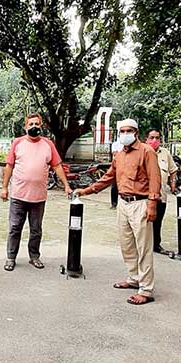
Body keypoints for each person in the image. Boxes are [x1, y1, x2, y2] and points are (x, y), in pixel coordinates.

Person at [75, 119, 160, 305]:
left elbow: (155, 178)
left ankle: (146, 289)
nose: (125, 134)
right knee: (127, 244)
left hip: (141, 203)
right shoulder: (120, 155)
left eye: (129, 130)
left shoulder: (147, 151)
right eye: (122, 131)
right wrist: (87, 190)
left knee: (143, 247)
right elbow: (107, 178)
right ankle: (133, 278)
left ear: (136, 132)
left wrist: (153, 204)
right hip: (123, 203)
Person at [0, 113, 70, 271]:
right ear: (25, 127)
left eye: (36, 124)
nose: (34, 127)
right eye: (30, 124)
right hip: (18, 195)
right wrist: (4, 188)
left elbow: (57, 166)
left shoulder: (48, 144)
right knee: (14, 228)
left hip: (38, 197)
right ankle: (11, 258)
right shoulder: (18, 143)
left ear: (41, 126)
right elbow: (9, 166)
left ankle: (34, 257)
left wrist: (66, 185)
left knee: (36, 229)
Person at [144, 128, 178, 255]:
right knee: (144, 223)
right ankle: (142, 246)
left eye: (157, 138)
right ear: (146, 140)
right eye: (151, 137)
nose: (154, 140)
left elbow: (173, 170)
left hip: (161, 195)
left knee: (157, 222)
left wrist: (173, 184)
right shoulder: (142, 152)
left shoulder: (165, 153)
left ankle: (156, 245)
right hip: (144, 197)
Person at [110, 140, 122, 209]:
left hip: (126, 167)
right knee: (114, 186)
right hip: (117, 167)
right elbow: (115, 154)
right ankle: (114, 203)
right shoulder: (115, 144)